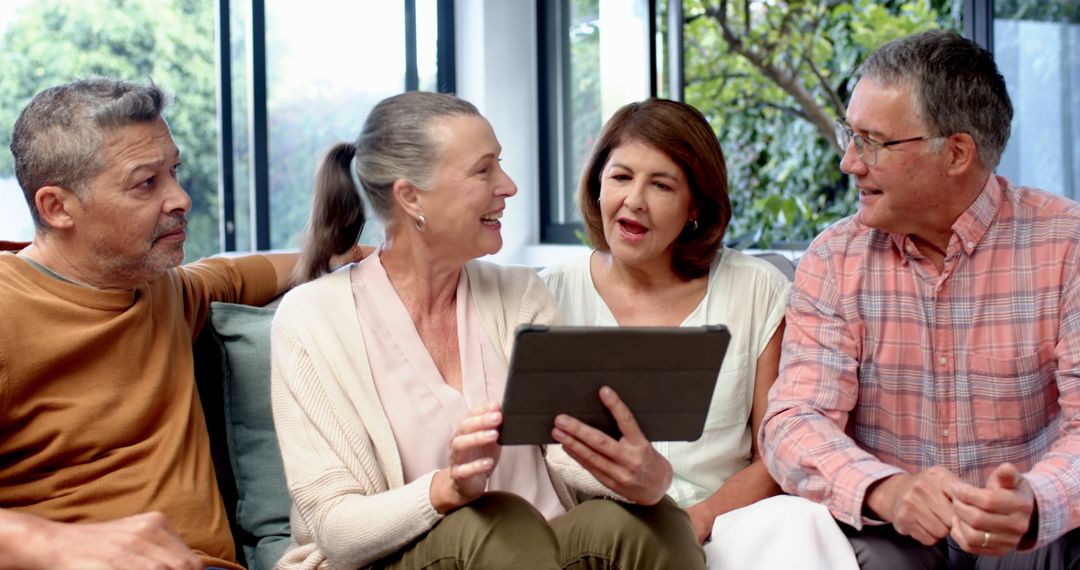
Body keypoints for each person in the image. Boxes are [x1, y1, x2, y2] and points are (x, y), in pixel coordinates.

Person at [270, 91, 703, 569]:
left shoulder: (519, 294)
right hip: (400, 560)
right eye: (483, 170)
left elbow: (567, 450)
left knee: (657, 522)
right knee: (498, 523)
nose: (509, 186)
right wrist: (447, 489)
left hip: (544, 549)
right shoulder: (312, 319)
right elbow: (335, 528)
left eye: (501, 164)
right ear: (410, 196)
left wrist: (645, 477)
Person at [761, 29, 1080, 569]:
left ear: (956, 153)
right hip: (892, 531)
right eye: (850, 135)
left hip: (1026, 530)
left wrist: (1035, 501)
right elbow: (794, 419)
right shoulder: (834, 259)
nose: (849, 163)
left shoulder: (1067, 245)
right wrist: (884, 489)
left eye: (873, 141)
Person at [0, 79, 315, 570]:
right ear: (57, 207)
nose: (181, 198)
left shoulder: (163, 287)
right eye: (147, 182)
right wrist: (55, 545)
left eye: (174, 172)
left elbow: (242, 274)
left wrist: (375, 258)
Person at [540, 98, 858, 569]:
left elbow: (775, 455)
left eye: (661, 185)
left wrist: (700, 519)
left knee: (800, 521)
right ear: (597, 185)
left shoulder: (757, 290)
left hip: (728, 523)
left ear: (695, 207)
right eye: (621, 177)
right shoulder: (548, 293)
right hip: (601, 540)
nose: (634, 200)